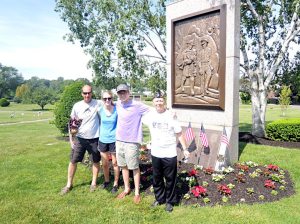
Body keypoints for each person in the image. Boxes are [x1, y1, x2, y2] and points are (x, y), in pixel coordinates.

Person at [142, 91, 189, 212]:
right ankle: (159, 199)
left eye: (161, 101)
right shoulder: (149, 115)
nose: (159, 103)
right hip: (156, 152)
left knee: (170, 179)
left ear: (165, 102)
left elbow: (179, 133)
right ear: (153, 102)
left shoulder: (171, 116)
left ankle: (170, 201)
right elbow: (137, 118)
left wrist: (185, 149)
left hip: (169, 152)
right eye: (156, 101)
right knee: (157, 178)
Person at [60, 85, 101, 195]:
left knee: (96, 161)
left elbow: (111, 105)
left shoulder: (98, 103)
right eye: (85, 93)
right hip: (80, 139)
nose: (87, 95)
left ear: (92, 93)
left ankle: (93, 183)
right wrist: (71, 139)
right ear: (82, 94)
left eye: (89, 93)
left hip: (94, 138)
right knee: (73, 161)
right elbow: (71, 123)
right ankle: (69, 184)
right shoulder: (77, 106)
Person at [115, 84, 150, 204]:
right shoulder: (118, 104)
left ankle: (137, 193)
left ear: (129, 92)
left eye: (124, 92)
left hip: (132, 141)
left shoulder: (138, 105)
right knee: (123, 166)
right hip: (119, 140)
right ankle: (126, 188)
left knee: (134, 167)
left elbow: (153, 111)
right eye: (120, 93)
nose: (122, 94)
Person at [98, 90, 120, 194]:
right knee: (105, 163)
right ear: (102, 99)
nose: (107, 100)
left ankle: (116, 183)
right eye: (105, 98)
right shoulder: (99, 110)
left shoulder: (116, 110)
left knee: (115, 163)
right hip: (103, 140)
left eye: (109, 98)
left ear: (112, 98)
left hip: (114, 140)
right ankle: (107, 181)